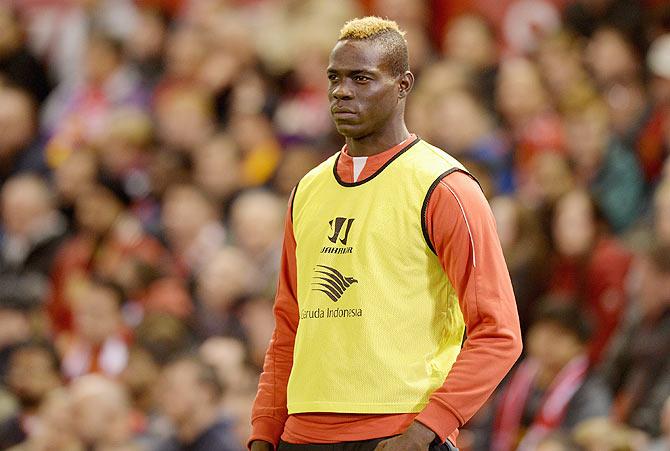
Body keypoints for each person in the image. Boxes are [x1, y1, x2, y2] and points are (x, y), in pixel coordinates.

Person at [249, 17, 522, 451]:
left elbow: (499, 332)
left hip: (400, 432)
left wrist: (426, 429)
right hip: (302, 435)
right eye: (334, 78)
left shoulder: (445, 186)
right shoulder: (307, 191)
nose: (342, 90)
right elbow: (287, 326)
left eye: (361, 78)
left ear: (402, 85)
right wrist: (265, 429)